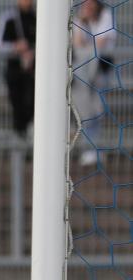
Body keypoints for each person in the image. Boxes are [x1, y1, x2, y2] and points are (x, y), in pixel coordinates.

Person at [72, 0, 115, 166]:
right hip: (82, 73)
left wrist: (88, 46)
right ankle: (88, 150)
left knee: (97, 109)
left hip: (101, 70)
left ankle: (96, 149)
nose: (88, 7)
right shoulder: (78, 19)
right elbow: (77, 43)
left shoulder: (105, 15)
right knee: (85, 112)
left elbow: (103, 42)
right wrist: (83, 21)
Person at [0, 0, 35, 138]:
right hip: (15, 73)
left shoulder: (38, 17)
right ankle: (21, 144)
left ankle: (30, 141)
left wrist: (33, 53)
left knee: (33, 106)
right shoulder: (9, 18)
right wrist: (15, 47)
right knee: (18, 108)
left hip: (34, 73)